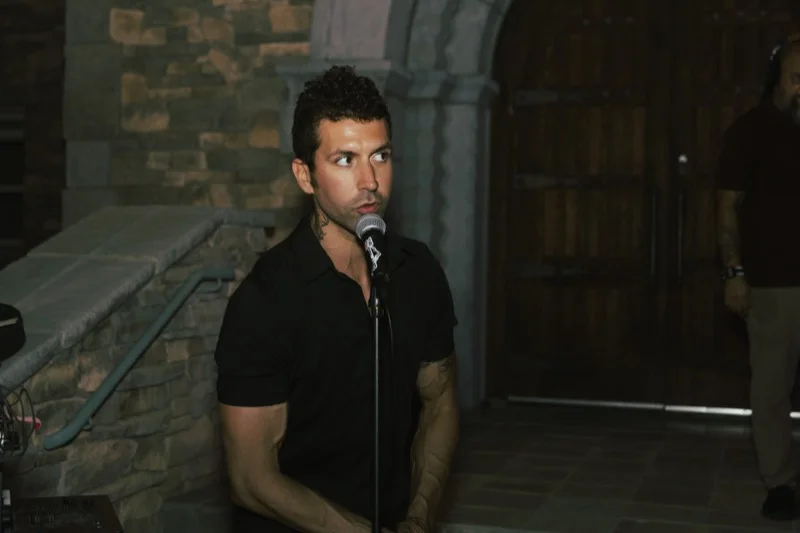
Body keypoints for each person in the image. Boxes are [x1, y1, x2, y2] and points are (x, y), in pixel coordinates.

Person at [213, 65, 460, 533]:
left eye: (380, 155)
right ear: (305, 176)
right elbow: (250, 480)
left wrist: (420, 516)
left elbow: (441, 401)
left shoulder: (418, 271)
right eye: (345, 159)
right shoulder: (266, 301)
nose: (370, 180)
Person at [716, 33, 800, 521]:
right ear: (777, 80)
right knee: (771, 389)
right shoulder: (749, 132)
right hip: (772, 285)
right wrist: (734, 272)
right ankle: (780, 483)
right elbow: (727, 207)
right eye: (797, 78)